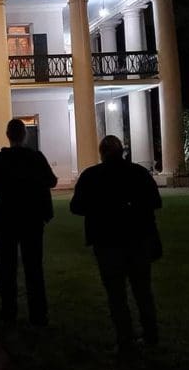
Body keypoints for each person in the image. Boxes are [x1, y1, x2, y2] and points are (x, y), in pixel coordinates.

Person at [69, 135, 162, 355]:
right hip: (138, 240)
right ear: (122, 152)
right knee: (142, 290)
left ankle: (125, 339)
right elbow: (156, 202)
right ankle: (151, 335)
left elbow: (76, 207)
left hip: (107, 242)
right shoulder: (138, 173)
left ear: (101, 153)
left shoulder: (91, 176)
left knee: (116, 294)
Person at [0, 118, 57, 326]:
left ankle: (9, 312)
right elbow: (51, 181)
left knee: (6, 266)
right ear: (24, 135)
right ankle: (38, 314)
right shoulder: (35, 157)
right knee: (33, 266)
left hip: (5, 217)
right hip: (31, 217)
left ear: (8, 135)